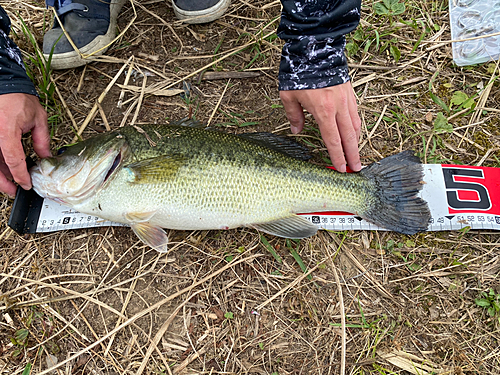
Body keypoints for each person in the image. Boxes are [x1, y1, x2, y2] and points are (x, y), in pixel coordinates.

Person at [0, 0, 361, 198]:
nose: (54, 160)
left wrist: (316, 47)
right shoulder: (119, 167)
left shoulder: (124, 159)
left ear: (114, 152)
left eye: (65, 155)